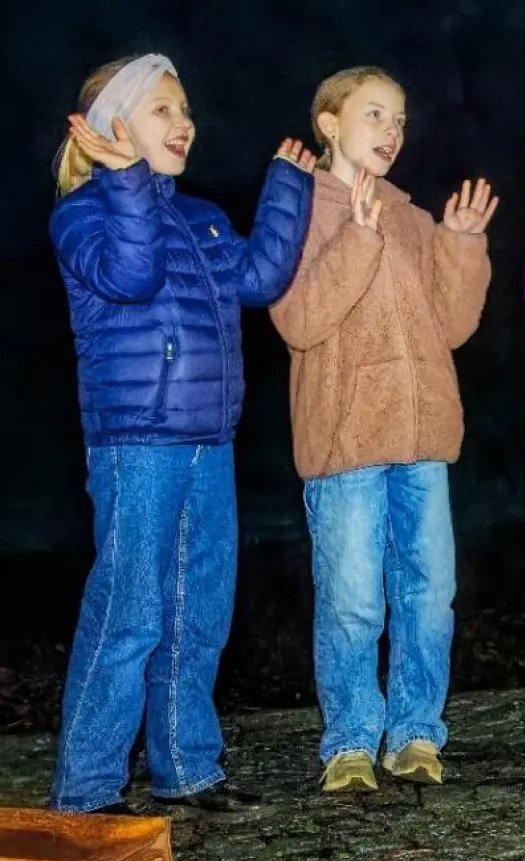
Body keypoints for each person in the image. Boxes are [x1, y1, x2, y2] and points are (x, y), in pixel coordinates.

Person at [48, 53, 314, 814]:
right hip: (136, 442)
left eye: (186, 108)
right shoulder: (82, 213)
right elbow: (130, 276)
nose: (185, 122)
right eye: (163, 109)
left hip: (207, 439)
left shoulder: (201, 216)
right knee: (129, 609)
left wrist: (287, 192)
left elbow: (260, 278)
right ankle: (89, 785)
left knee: (198, 610)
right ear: (113, 127)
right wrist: (125, 180)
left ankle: (187, 768)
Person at [270, 66, 497, 792]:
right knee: (352, 598)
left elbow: (453, 326)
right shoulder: (299, 209)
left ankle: (417, 733)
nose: (392, 133)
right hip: (346, 445)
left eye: (399, 120)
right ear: (330, 125)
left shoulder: (409, 215)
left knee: (429, 591)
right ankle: (349, 741)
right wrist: (356, 241)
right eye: (374, 116)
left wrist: (460, 245)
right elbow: (298, 319)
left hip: (423, 438)